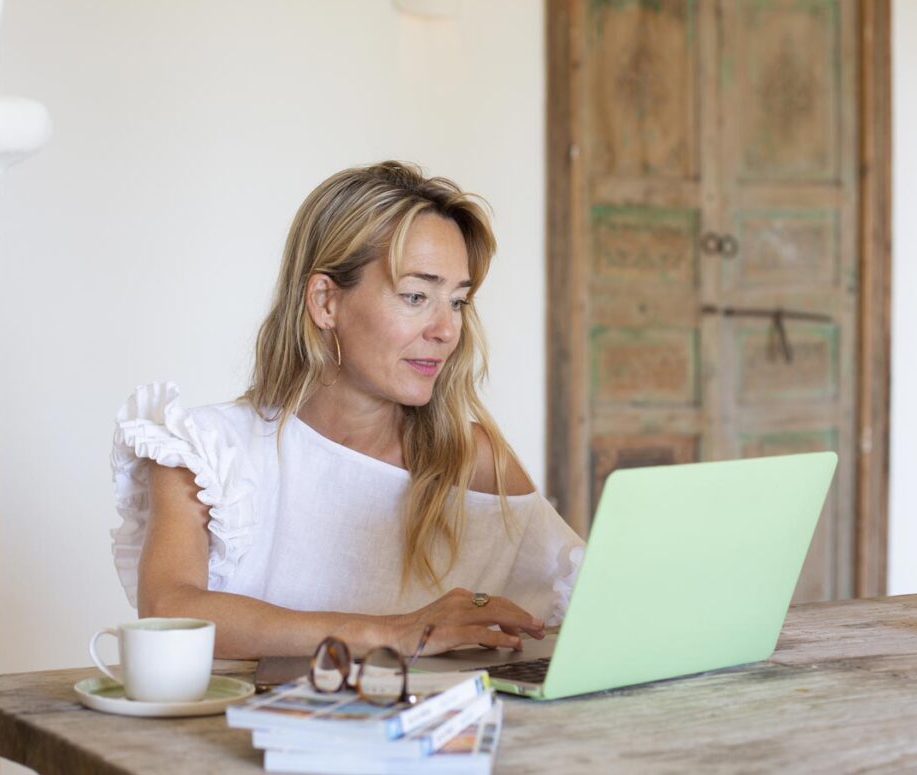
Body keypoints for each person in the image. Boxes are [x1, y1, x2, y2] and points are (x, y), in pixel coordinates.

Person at [110, 161, 584, 660]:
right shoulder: (205, 452)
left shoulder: (473, 460)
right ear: (325, 301)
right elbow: (170, 610)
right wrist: (397, 632)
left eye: (458, 302)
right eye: (416, 296)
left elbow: (587, 596)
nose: (446, 330)